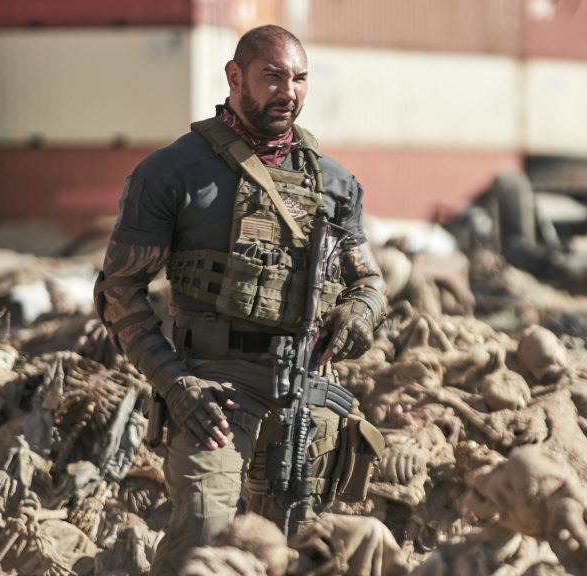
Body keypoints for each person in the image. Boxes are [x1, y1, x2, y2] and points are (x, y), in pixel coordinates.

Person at [93, 25, 387, 576]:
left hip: (305, 389)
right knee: (205, 537)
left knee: (304, 550)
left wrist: (360, 310)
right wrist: (176, 385)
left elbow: (368, 280)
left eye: (299, 78)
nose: (289, 91)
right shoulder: (172, 172)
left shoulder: (334, 183)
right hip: (213, 389)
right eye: (273, 75)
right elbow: (120, 293)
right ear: (235, 76)